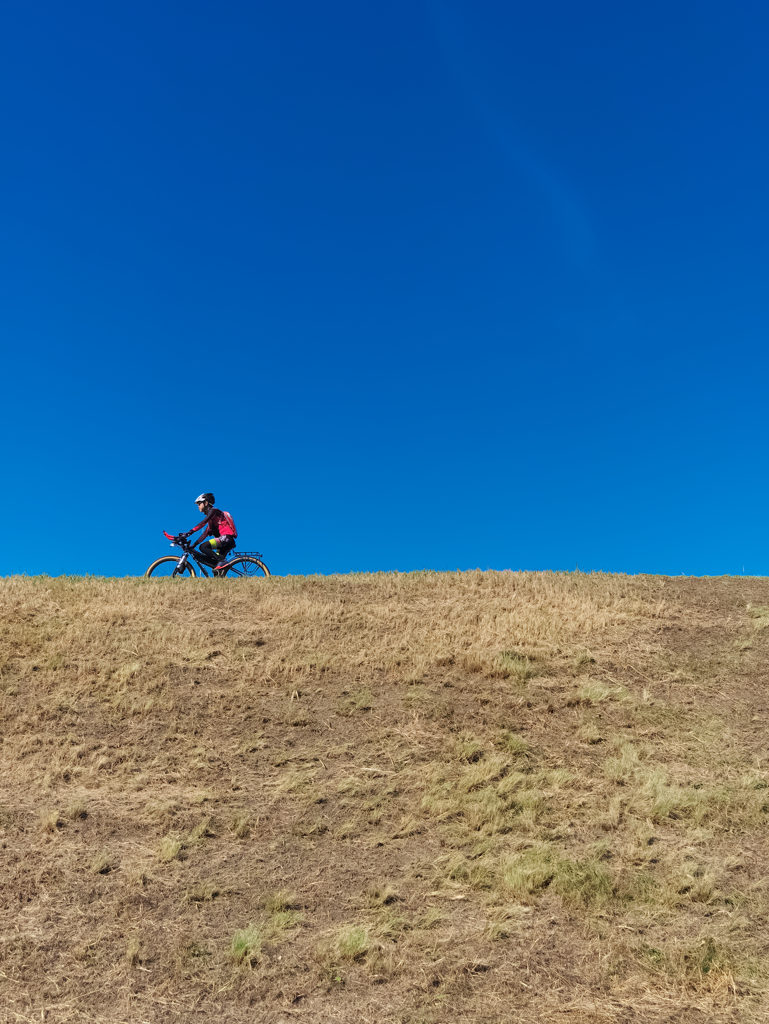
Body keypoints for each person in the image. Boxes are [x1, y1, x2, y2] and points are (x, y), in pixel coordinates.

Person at [182, 493, 238, 572]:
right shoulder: (212, 520)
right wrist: (194, 545)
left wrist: (190, 532)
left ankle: (222, 561)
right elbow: (205, 533)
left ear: (206, 503)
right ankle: (219, 576)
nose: (198, 506)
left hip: (226, 538)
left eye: (199, 504)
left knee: (203, 547)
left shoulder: (214, 511)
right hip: (226, 541)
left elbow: (203, 522)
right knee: (215, 566)